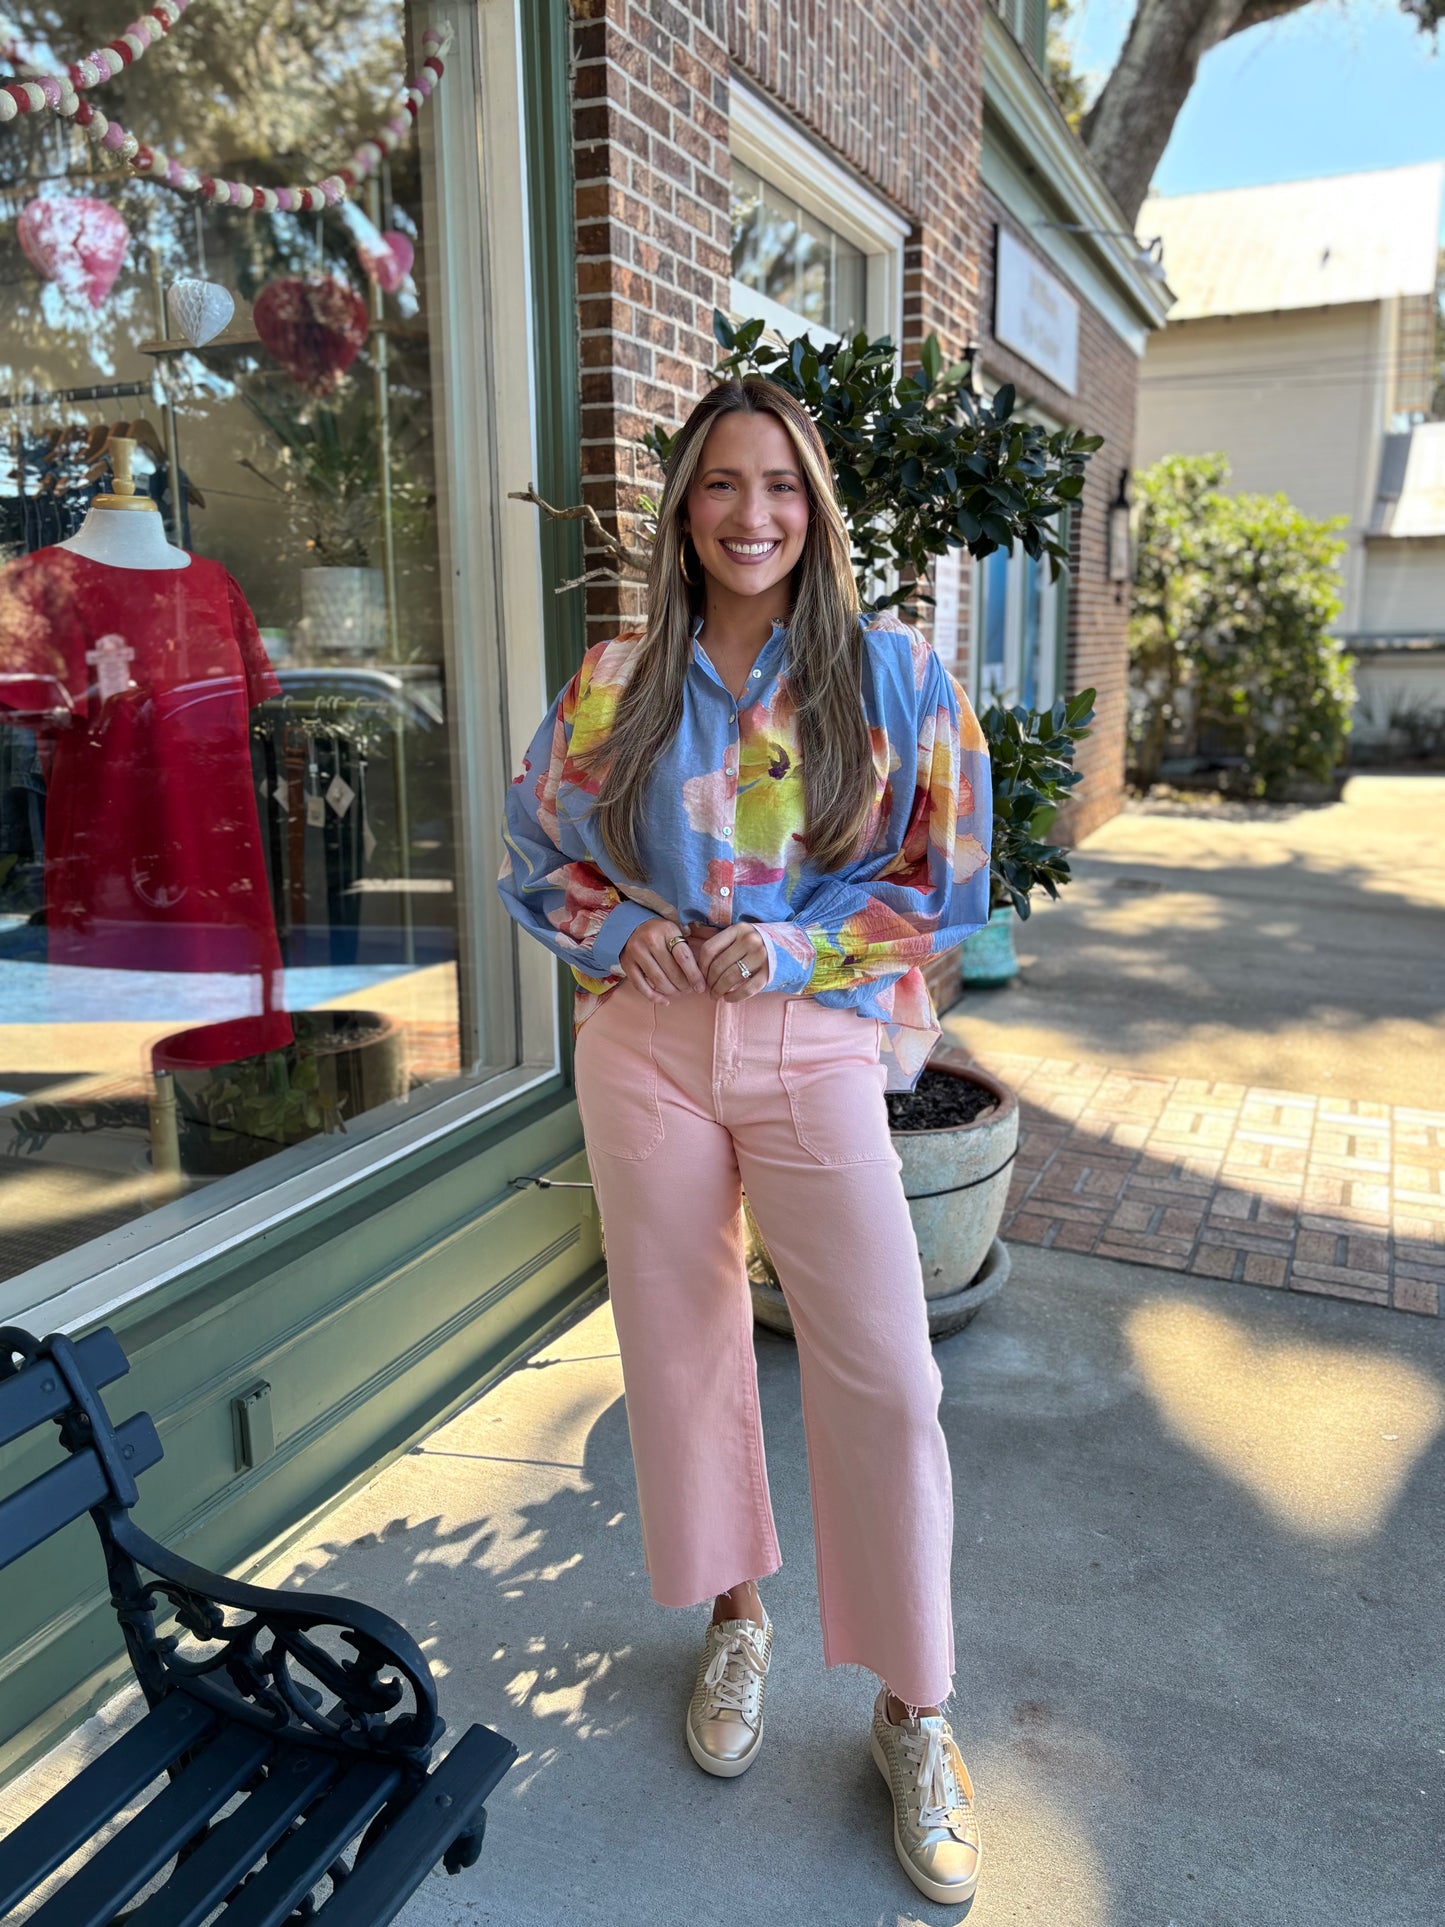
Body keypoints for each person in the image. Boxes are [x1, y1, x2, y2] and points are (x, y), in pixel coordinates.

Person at [497, 374, 991, 1906]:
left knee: (887, 1376)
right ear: (684, 508)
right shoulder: (613, 682)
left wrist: (797, 952)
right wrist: (619, 925)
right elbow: (539, 848)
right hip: (644, 1050)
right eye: (721, 484)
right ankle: (736, 1619)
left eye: (780, 484)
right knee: (680, 1348)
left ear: (815, 506)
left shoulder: (892, 677)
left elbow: (945, 877)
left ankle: (914, 1709)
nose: (751, 514)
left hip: (810, 1046)